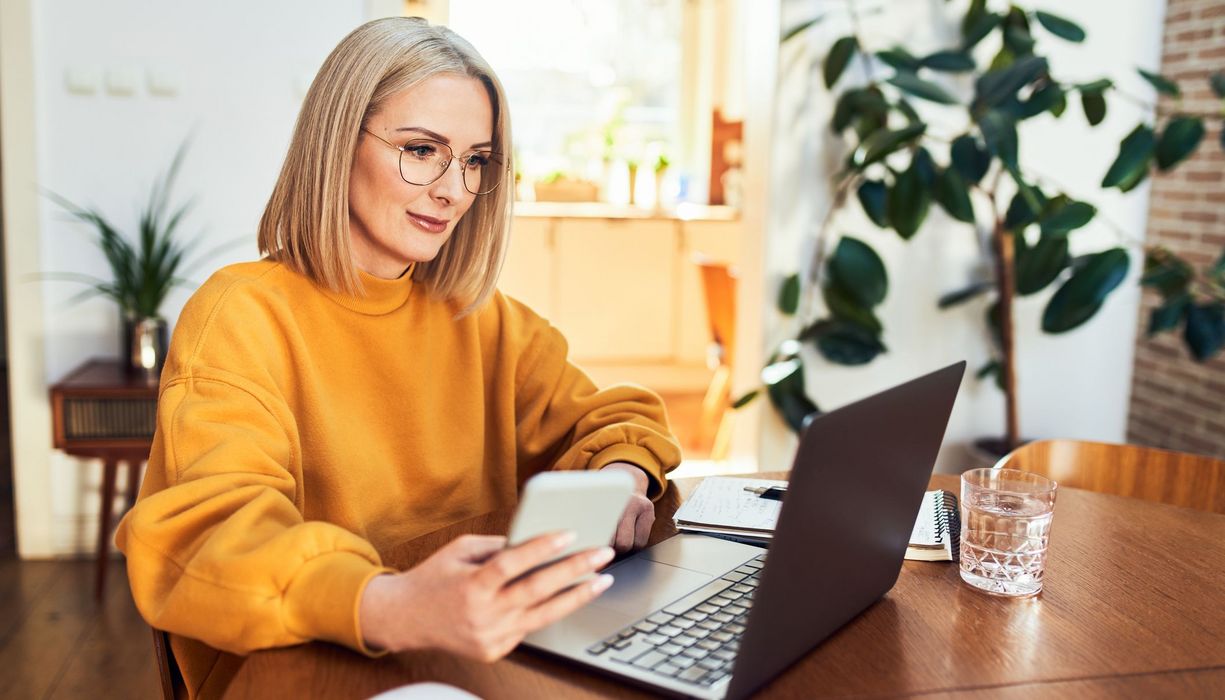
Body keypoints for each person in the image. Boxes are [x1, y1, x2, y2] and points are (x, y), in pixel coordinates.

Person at [116, 17, 681, 698]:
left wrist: (621, 476)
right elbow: (217, 537)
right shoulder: (240, 314)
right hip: (307, 667)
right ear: (336, 142)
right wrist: (393, 603)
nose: (453, 190)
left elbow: (614, 417)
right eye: (422, 149)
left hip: (472, 661)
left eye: (475, 160)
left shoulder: (479, 316)